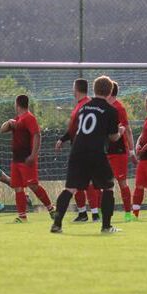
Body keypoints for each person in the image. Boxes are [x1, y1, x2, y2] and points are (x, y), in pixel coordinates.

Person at [51, 76, 125, 234]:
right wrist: (120, 132)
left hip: (77, 151)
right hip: (96, 152)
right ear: (110, 91)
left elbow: (76, 129)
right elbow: (112, 138)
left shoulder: (84, 108)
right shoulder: (111, 110)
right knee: (108, 187)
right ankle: (106, 226)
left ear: (94, 89)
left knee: (70, 188)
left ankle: (56, 224)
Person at [0, 95, 55, 222]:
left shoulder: (29, 118)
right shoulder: (17, 119)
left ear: (17, 104)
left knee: (33, 185)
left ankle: (51, 209)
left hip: (27, 158)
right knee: (18, 187)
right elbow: (2, 130)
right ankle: (22, 217)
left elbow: (37, 135)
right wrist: (9, 122)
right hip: (16, 159)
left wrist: (33, 155)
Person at [55, 78, 101, 222]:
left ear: (77, 88)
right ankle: (83, 213)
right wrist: (63, 139)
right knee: (78, 182)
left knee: (87, 182)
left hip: (85, 149)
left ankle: (94, 214)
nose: (72, 90)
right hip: (78, 148)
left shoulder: (87, 105)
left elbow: (88, 129)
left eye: (73, 87)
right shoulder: (80, 105)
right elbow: (74, 129)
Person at [107, 82, 137, 222]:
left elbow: (128, 129)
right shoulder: (103, 107)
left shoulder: (119, 108)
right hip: (104, 150)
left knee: (121, 182)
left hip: (118, 151)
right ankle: (101, 213)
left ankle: (127, 213)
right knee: (103, 183)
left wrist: (131, 151)